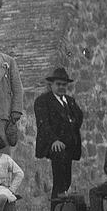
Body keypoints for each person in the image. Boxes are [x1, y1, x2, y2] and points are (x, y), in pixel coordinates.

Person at [33, 67, 85, 197]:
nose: (61, 87)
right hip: (54, 145)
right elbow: (43, 124)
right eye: (58, 84)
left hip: (69, 145)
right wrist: (54, 140)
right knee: (59, 182)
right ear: (51, 85)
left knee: (67, 180)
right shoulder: (43, 101)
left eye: (64, 85)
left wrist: (72, 125)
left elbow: (79, 117)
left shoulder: (70, 101)